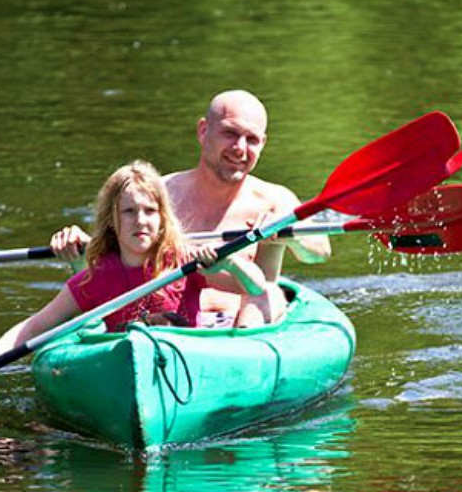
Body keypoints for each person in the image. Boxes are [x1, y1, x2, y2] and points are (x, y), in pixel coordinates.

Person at [0, 160, 265, 388]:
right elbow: (34, 326)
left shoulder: (183, 260)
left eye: (150, 211)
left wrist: (226, 264)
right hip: (125, 372)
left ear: (162, 218)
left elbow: (256, 286)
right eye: (129, 211)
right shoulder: (96, 278)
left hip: (188, 364)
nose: (140, 221)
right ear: (112, 220)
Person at [52, 90, 331, 328]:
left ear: (263, 144)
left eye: (252, 140)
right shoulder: (158, 195)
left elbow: (319, 253)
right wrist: (79, 249)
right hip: (168, 318)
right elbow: (105, 266)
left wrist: (290, 233)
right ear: (203, 131)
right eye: (230, 134)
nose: (240, 149)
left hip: (244, 324)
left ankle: (235, 364)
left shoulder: (274, 200)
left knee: (269, 291)